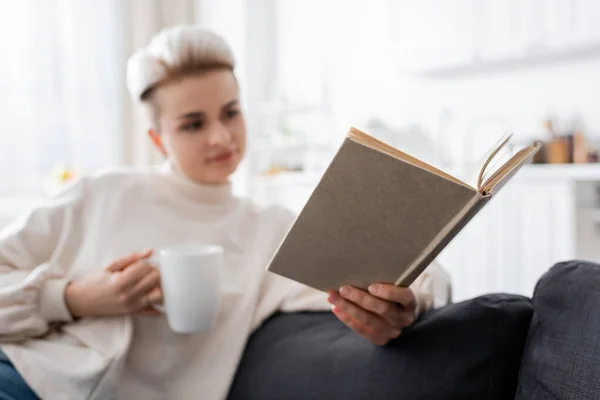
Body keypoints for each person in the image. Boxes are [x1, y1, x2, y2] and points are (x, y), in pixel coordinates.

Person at [0, 25, 450, 400]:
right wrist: (72, 298)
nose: (220, 137)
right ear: (158, 140)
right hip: (19, 376)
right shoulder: (101, 195)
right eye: (193, 124)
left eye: (231, 113)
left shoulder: (268, 231)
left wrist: (405, 307)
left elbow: (422, 275)